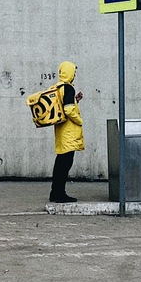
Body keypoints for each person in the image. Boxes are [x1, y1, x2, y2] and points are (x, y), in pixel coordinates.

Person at [49, 60, 84, 203]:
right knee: (65, 163)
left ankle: (55, 192)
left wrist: (75, 100)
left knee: (60, 162)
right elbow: (68, 110)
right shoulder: (69, 88)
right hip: (69, 132)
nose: (74, 74)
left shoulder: (58, 87)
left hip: (61, 131)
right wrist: (79, 120)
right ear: (69, 72)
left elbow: (65, 105)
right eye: (73, 72)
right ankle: (59, 194)